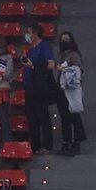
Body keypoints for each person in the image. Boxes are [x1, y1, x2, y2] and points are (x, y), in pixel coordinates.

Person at [20, 21, 58, 154]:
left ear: (35, 33)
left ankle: (47, 145)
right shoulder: (30, 49)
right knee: (32, 116)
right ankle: (35, 145)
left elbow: (51, 64)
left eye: (29, 33)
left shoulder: (44, 46)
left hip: (40, 86)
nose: (27, 35)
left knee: (42, 115)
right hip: (29, 85)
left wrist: (34, 65)